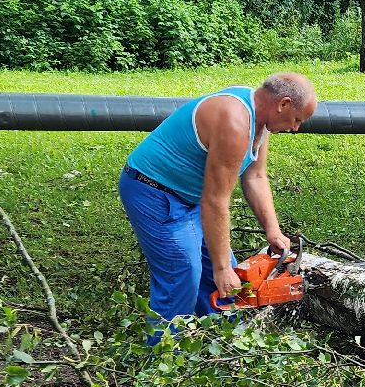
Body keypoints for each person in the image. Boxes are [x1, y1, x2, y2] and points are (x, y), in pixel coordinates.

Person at [118, 72, 318, 341]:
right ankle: (161, 364)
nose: (295, 128)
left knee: (228, 281)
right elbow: (215, 200)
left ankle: (220, 349)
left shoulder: (261, 118)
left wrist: (272, 230)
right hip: (153, 192)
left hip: (191, 196)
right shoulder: (235, 122)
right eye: (296, 120)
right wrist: (221, 268)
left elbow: (255, 177)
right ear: (283, 104)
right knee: (184, 275)